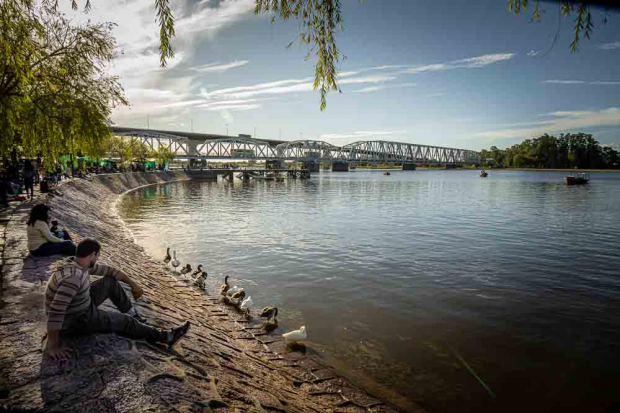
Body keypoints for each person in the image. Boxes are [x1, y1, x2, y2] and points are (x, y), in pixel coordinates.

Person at [45, 239, 190, 360]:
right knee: (125, 322)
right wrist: (53, 345)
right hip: (77, 320)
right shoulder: (73, 278)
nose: (98, 259)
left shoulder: (77, 263)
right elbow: (56, 311)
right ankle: (166, 336)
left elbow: (110, 271)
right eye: (97, 256)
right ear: (93, 254)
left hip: (80, 304)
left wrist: (134, 285)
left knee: (110, 282)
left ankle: (134, 315)